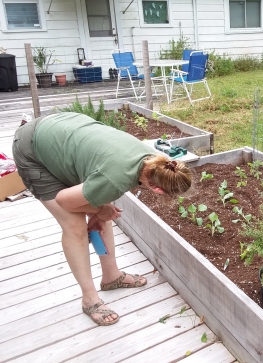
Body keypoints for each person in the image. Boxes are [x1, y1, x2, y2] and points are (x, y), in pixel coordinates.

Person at [12, 112, 192, 326]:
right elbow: (63, 201)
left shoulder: (153, 160)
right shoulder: (115, 179)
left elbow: (103, 188)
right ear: (157, 189)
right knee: (75, 225)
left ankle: (111, 276)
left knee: (104, 205)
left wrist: (101, 210)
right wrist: (100, 210)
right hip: (32, 148)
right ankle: (89, 299)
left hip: (62, 130)